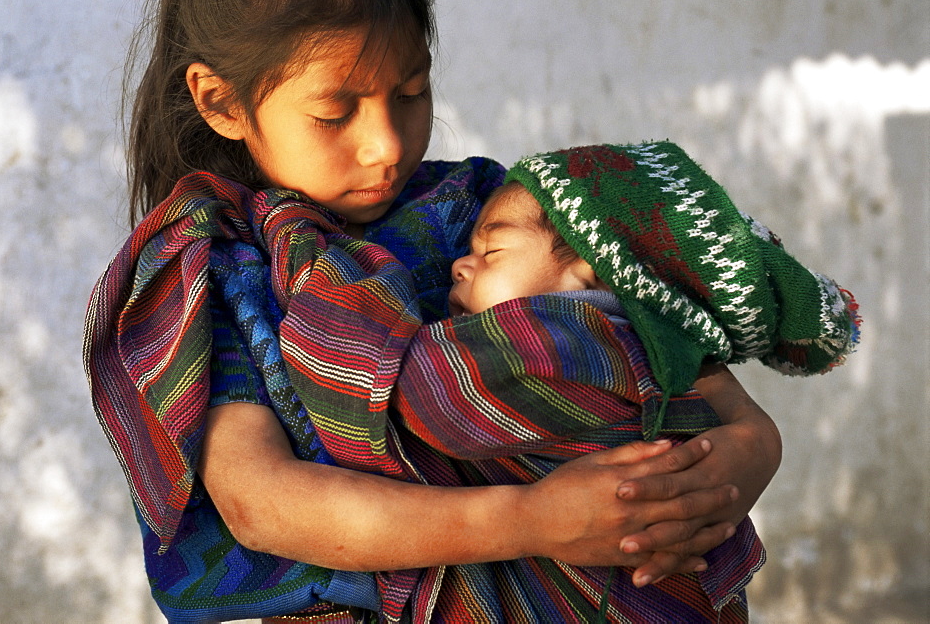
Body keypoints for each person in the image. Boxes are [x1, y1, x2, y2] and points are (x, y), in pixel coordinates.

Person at [83, 0, 785, 622]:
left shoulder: (487, 211)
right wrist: (535, 518)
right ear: (220, 100)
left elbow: (701, 378)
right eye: (335, 112)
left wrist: (719, 474)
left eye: (411, 91)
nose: (386, 143)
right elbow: (262, 503)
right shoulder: (220, 278)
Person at [257, 141, 860, 622]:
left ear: (585, 272)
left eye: (491, 252)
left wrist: (315, 263)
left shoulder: (565, 339)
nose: (459, 267)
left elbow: (422, 393)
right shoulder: (666, 358)